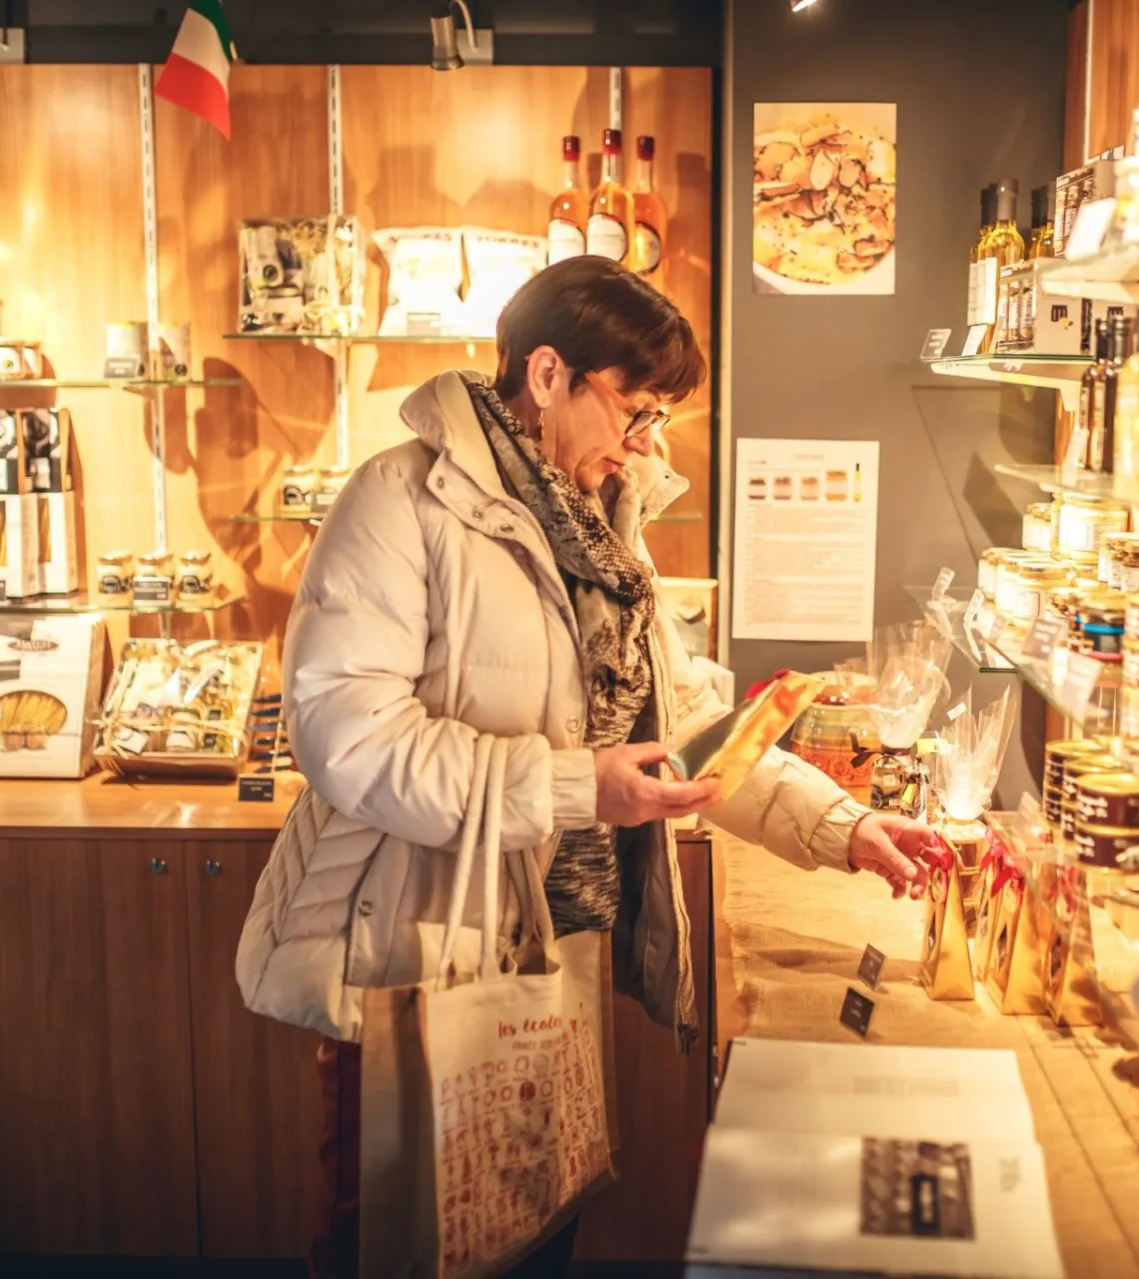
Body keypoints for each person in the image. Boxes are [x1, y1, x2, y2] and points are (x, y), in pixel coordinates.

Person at [236, 256, 952, 1278]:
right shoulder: (401, 499)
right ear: (546, 376)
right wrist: (578, 787)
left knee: (528, 1231)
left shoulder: (606, 530)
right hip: (415, 947)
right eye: (636, 409)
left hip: (551, 946)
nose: (645, 443)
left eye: (660, 417)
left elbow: (686, 722)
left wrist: (842, 825)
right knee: (402, 1238)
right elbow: (348, 737)